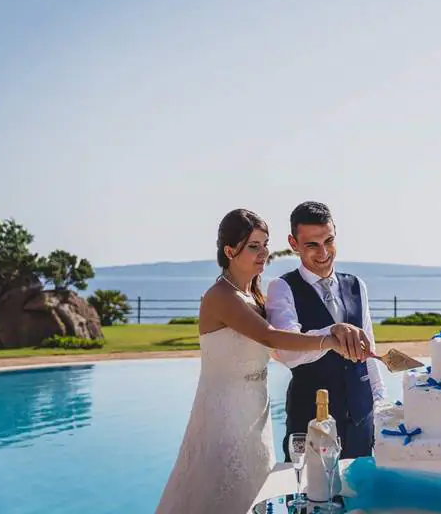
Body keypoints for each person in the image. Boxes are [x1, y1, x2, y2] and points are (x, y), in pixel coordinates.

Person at [155, 209, 371, 514]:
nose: (263, 253)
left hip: (255, 409)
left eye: (264, 244)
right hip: (224, 411)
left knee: (256, 493)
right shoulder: (220, 296)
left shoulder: (255, 298)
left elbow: (282, 346)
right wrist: (331, 338)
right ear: (230, 251)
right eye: (254, 246)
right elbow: (272, 337)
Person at [266, 201, 386, 462]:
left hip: (361, 420)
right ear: (294, 243)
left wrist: (379, 407)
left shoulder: (356, 285)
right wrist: (331, 335)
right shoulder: (282, 288)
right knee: (311, 498)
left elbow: (369, 353)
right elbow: (287, 353)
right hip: (310, 422)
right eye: (312, 244)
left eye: (328, 241)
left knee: (360, 500)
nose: (323, 252)